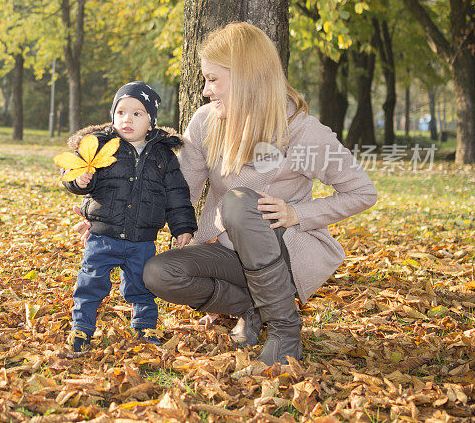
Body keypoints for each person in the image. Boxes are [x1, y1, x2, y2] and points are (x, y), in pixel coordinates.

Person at [76, 23, 377, 365]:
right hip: (227, 254)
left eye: (213, 79)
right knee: (156, 273)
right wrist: (108, 218)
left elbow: (362, 192)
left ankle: (284, 329)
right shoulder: (205, 122)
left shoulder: (304, 131)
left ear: (246, 76)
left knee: (239, 202)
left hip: (284, 255)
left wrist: (298, 214)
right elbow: (179, 193)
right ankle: (252, 309)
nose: (205, 91)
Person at [61, 81, 197, 353]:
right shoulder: (100, 146)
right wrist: (81, 181)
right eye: (121, 112)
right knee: (90, 282)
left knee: (141, 285)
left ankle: (145, 326)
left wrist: (183, 226)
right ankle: (81, 328)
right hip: (103, 235)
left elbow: (176, 193)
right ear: (113, 115)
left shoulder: (163, 155)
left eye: (137, 114)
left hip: (142, 238)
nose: (127, 119)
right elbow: (71, 175)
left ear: (151, 122)